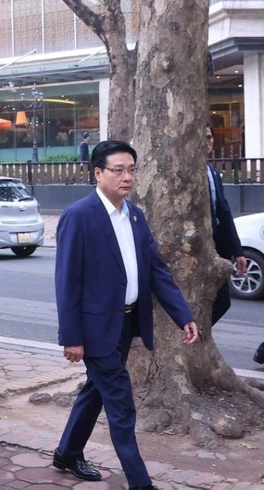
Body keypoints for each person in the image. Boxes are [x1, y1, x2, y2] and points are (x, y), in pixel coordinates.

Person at [52, 140, 198, 488]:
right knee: (121, 403)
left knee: (97, 389)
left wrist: (183, 315)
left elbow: (156, 271)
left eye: (132, 169)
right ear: (98, 172)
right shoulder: (79, 216)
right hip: (94, 328)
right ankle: (140, 482)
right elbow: (66, 282)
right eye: (118, 170)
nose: (127, 177)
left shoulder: (134, 214)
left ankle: (67, 452)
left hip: (127, 321)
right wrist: (71, 337)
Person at [205, 125, 247, 325]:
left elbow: (224, 211)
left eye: (210, 137)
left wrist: (237, 251)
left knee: (222, 302)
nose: (208, 141)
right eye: (203, 137)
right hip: (196, 248)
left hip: (218, 247)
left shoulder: (212, 172)